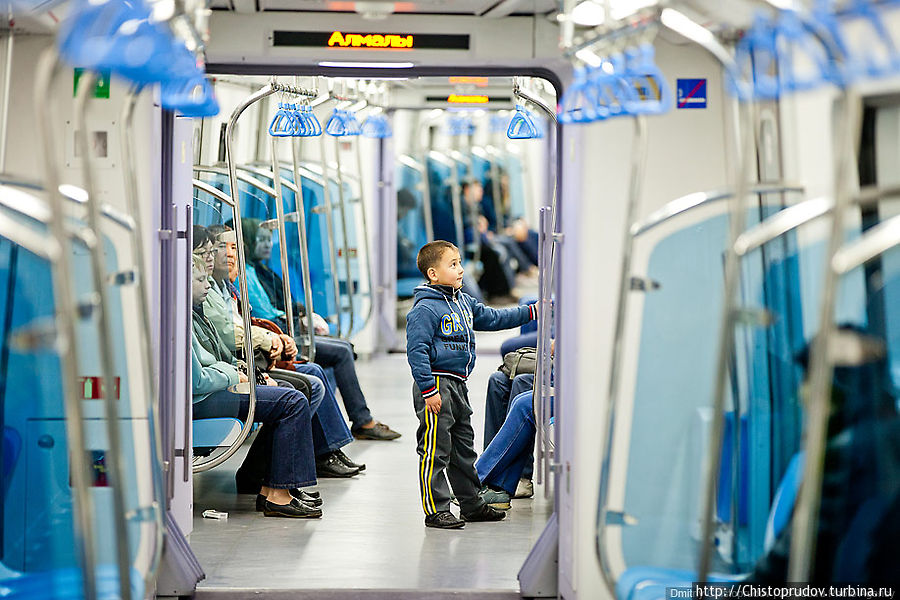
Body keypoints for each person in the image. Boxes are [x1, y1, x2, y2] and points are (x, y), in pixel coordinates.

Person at [200, 225, 361, 479]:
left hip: (245, 362)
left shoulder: (228, 285)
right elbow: (229, 337)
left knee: (313, 377)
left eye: (234, 248)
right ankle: (269, 473)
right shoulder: (206, 294)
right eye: (220, 249)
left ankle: (323, 451)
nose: (228, 255)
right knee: (301, 390)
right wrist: (266, 343)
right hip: (229, 376)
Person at [406, 240, 538, 529]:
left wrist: (531, 312)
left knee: (463, 450)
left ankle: (470, 503)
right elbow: (416, 351)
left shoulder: (463, 302)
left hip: (458, 385)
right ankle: (436, 509)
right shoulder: (425, 310)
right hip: (437, 385)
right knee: (435, 450)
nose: (460, 269)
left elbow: (493, 317)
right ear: (433, 273)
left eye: (460, 263)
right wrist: (428, 390)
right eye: (452, 265)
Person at [239, 218, 401, 441]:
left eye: (269, 240)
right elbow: (265, 314)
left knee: (343, 348)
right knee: (341, 353)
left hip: (287, 328)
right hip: (281, 333)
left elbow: (281, 302)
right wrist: (297, 318)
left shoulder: (261, 271)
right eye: (261, 240)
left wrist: (303, 313)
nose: (268, 245)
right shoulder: (246, 275)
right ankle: (359, 422)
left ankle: (340, 427)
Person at [189, 255, 322, 518]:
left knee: (288, 392)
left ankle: (271, 487)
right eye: (200, 280)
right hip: (201, 400)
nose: (207, 286)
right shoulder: (179, 321)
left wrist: (237, 371)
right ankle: (279, 496)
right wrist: (232, 375)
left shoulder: (195, 313)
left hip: (215, 389)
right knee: (291, 402)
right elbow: (197, 381)